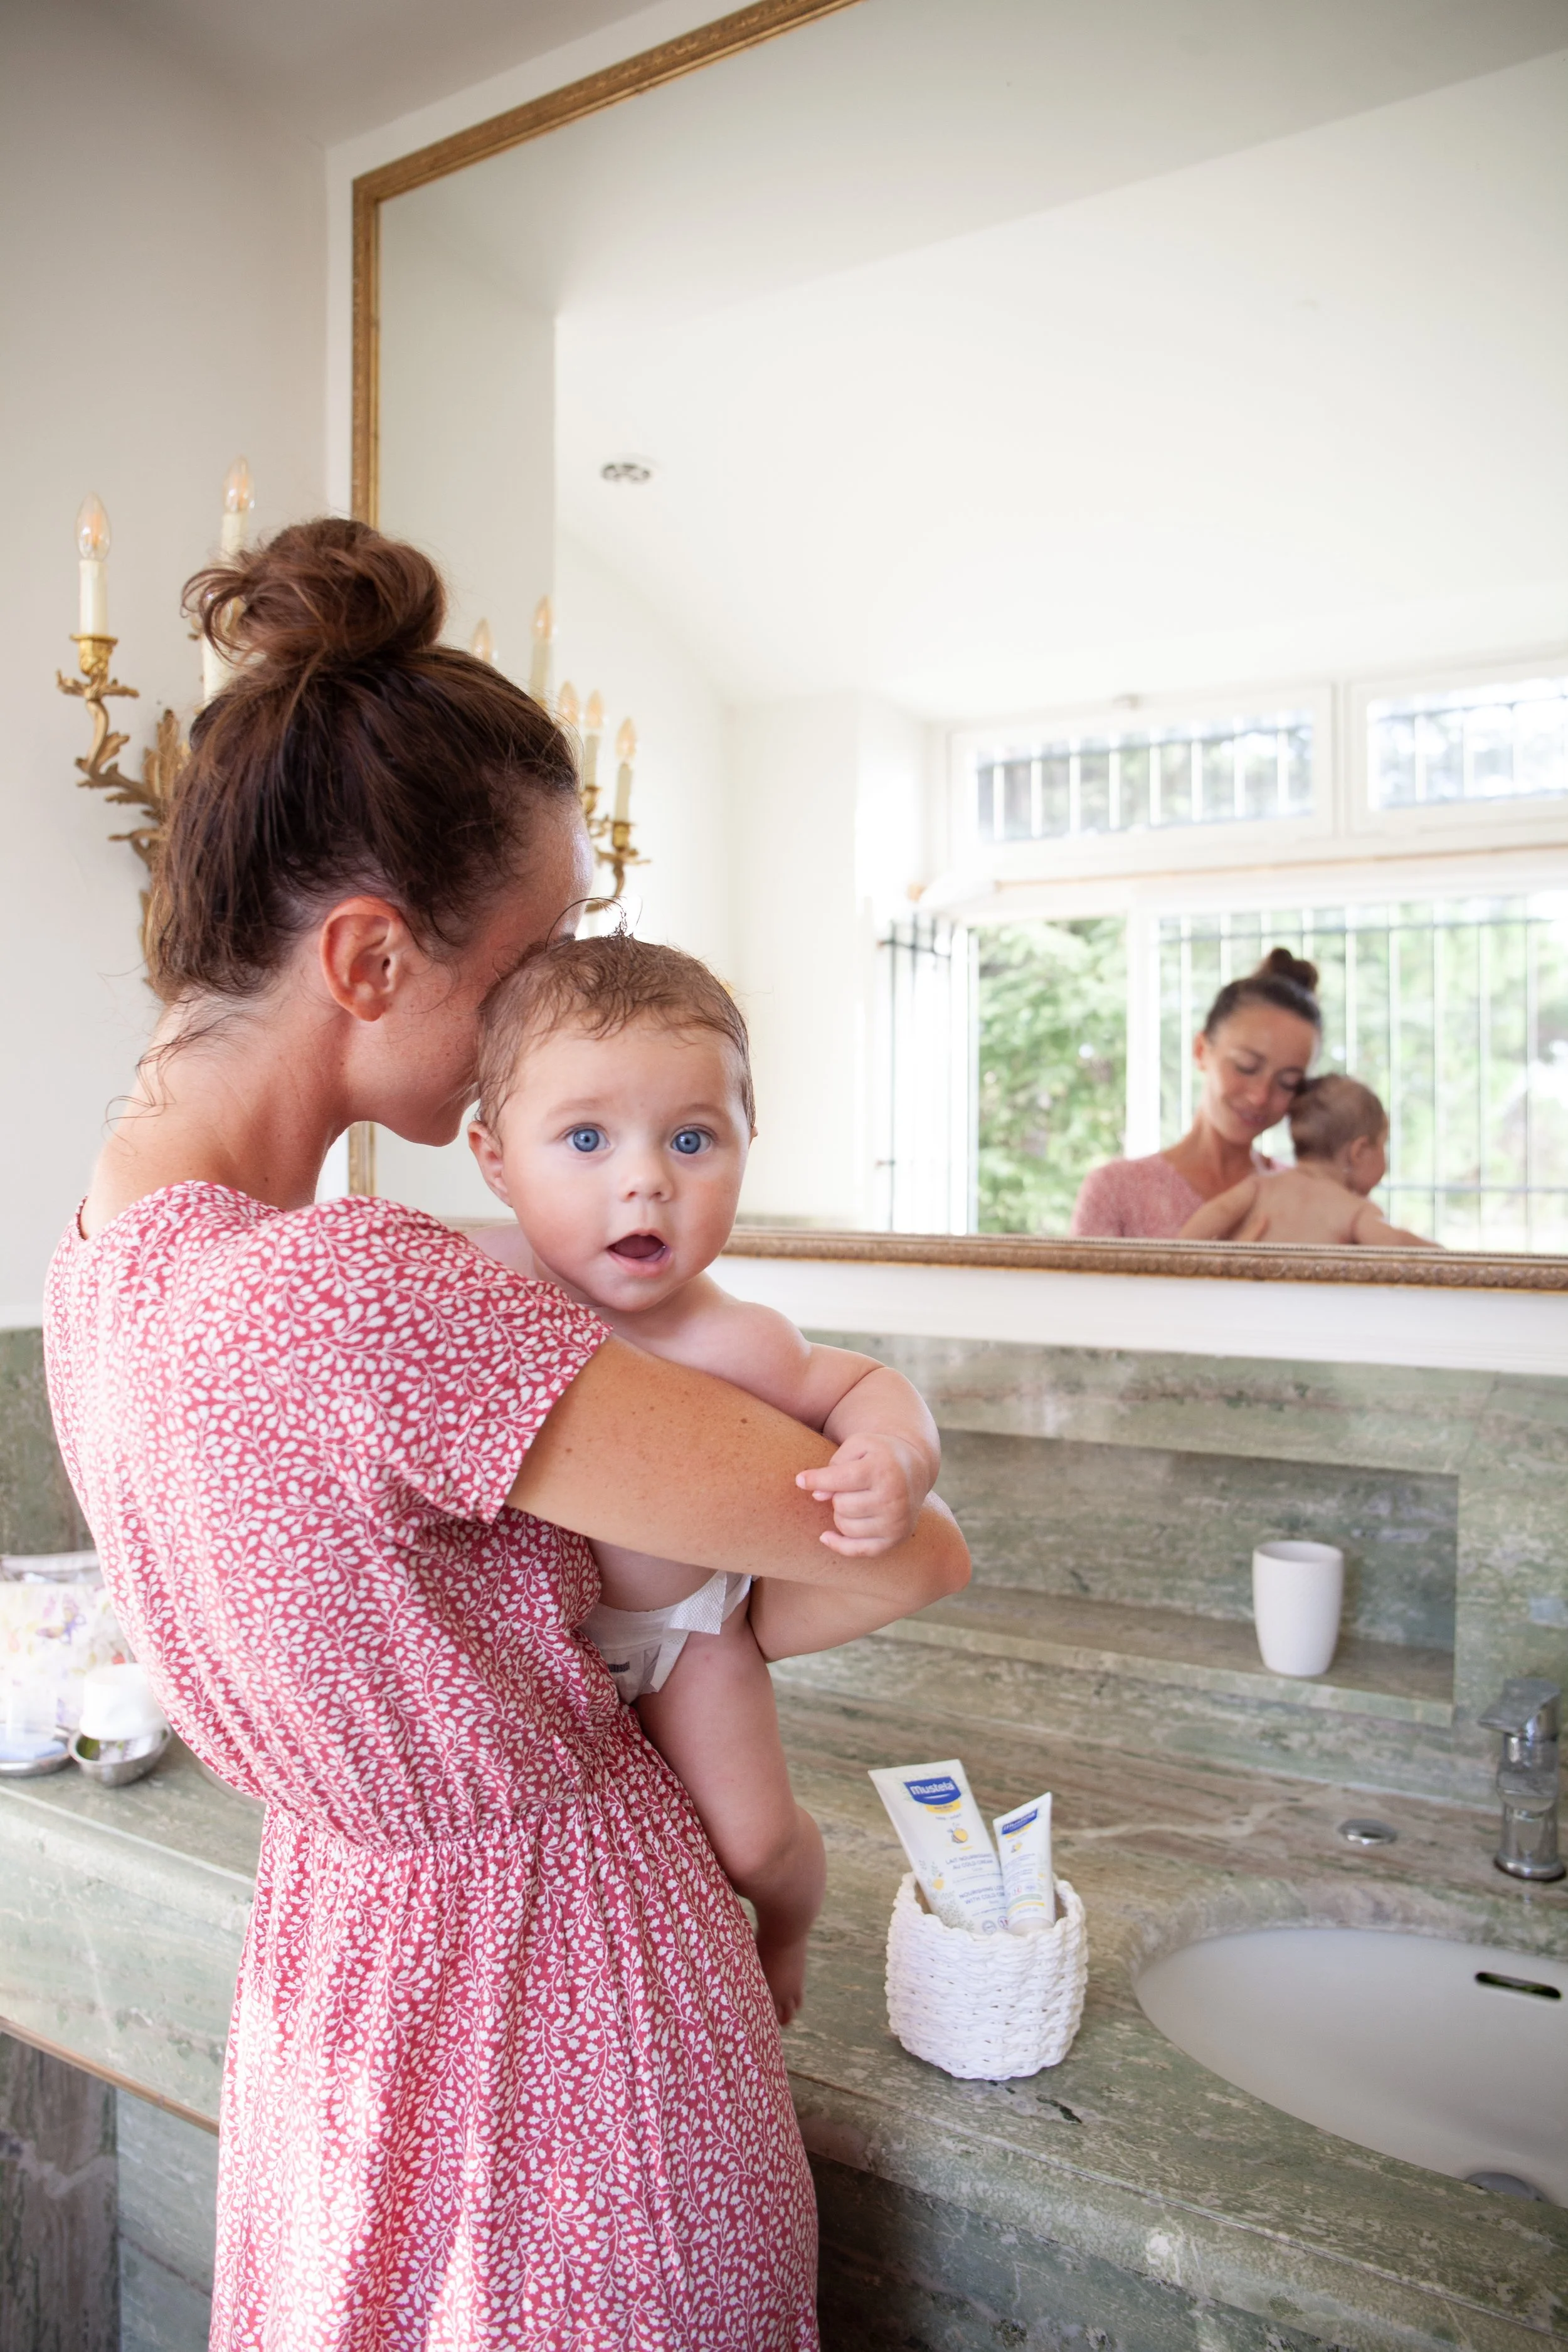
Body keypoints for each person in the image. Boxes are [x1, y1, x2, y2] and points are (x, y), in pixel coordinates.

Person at [43, 517, 969, 2352]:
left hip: (338, 2000)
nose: (542, 1021)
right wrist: (690, 1632)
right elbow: (905, 1545)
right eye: (528, 966)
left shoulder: (96, 1268)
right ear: (373, 956)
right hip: (568, 2015)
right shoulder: (354, 1290)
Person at [467, 932, 942, 2028]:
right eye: (585, 1138)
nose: (646, 1179)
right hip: (525, 1642)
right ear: (496, 1159)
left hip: (690, 1634)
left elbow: (868, 1384)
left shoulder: (744, 1343)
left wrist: (895, 1459)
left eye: (692, 1138)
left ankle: (786, 1928)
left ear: (747, 1145)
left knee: (755, 1837)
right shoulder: (479, 1288)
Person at [1070, 947, 1321, 1239]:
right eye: (1246, 1067)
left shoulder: (1305, 1198)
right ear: (1201, 1051)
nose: (1260, 1096)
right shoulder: (1115, 1191)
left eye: (1288, 1083)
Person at [1178, 1074, 1437, 1248]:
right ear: (1359, 1151)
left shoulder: (1259, 1187)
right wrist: (1443, 1252)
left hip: (1248, 1306)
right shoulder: (1354, 1210)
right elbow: (1394, 1246)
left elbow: (1209, 1219)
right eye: (1383, 1144)